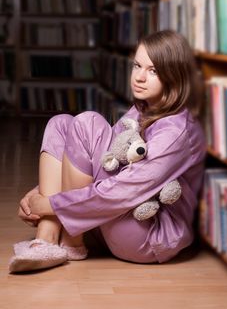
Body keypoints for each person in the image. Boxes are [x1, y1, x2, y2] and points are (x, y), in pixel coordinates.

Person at [9, 30, 206, 273]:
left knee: (87, 123)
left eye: (153, 71)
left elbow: (123, 190)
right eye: (137, 65)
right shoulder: (144, 109)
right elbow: (102, 159)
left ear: (174, 76)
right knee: (60, 123)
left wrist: (49, 204)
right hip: (113, 219)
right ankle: (47, 238)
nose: (139, 77)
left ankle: (69, 241)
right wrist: (37, 196)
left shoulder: (177, 132)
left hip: (148, 234)